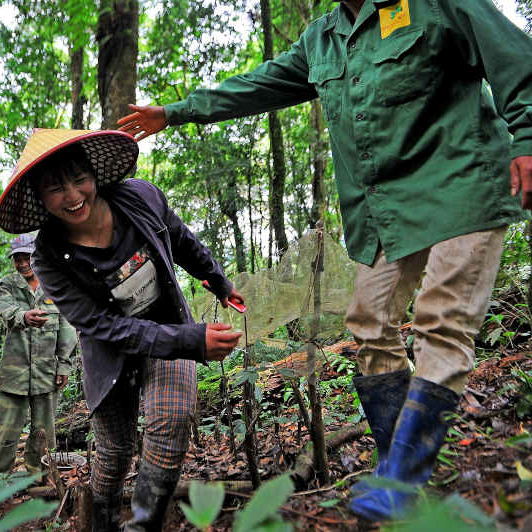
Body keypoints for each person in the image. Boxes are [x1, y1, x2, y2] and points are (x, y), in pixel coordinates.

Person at [117, 0, 532, 522]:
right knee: (367, 320)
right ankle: (395, 468)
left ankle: (398, 481)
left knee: (441, 321)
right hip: (388, 210)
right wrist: (175, 111)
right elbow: (259, 84)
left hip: (464, 182)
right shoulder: (323, 37)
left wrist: (528, 137)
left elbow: (517, 57)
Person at [0, 128, 245, 531]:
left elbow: (180, 239)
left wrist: (218, 281)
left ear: (95, 175)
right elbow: (100, 325)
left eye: (80, 180)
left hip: (168, 327)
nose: (73, 196)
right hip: (109, 352)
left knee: (173, 417)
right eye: (56, 188)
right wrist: (194, 339)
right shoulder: (47, 259)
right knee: (114, 453)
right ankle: (103, 520)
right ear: (39, 198)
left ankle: (142, 526)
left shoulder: (140, 198)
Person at [0, 232, 77, 479]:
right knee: (6, 432)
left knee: (44, 432)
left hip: (46, 372)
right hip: (13, 374)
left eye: (28, 257)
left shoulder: (56, 284)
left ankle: (41, 478)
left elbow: (67, 328)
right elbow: (5, 308)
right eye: (18, 258)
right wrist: (24, 317)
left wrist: (65, 366)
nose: (23, 263)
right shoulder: (7, 284)